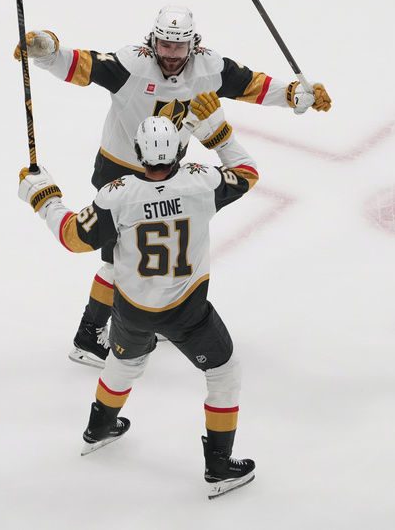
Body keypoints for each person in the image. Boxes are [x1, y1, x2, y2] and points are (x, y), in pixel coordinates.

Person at [14, 4, 330, 368]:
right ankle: (89, 335)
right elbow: (84, 65)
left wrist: (292, 94)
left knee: (160, 242)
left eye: (179, 47)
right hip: (120, 170)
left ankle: (149, 315)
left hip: (170, 168)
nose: (171, 54)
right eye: (164, 45)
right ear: (153, 41)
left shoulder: (209, 68)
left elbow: (250, 84)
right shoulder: (133, 64)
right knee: (121, 261)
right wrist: (49, 51)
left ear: (193, 45)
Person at [17, 95, 259, 499]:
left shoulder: (117, 194)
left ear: (138, 152)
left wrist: (44, 198)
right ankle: (219, 466)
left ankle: (98, 429)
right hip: (187, 313)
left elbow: (73, 237)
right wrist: (216, 131)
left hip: (132, 312)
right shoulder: (202, 181)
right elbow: (247, 172)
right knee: (224, 375)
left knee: (123, 363)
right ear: (181, 149)